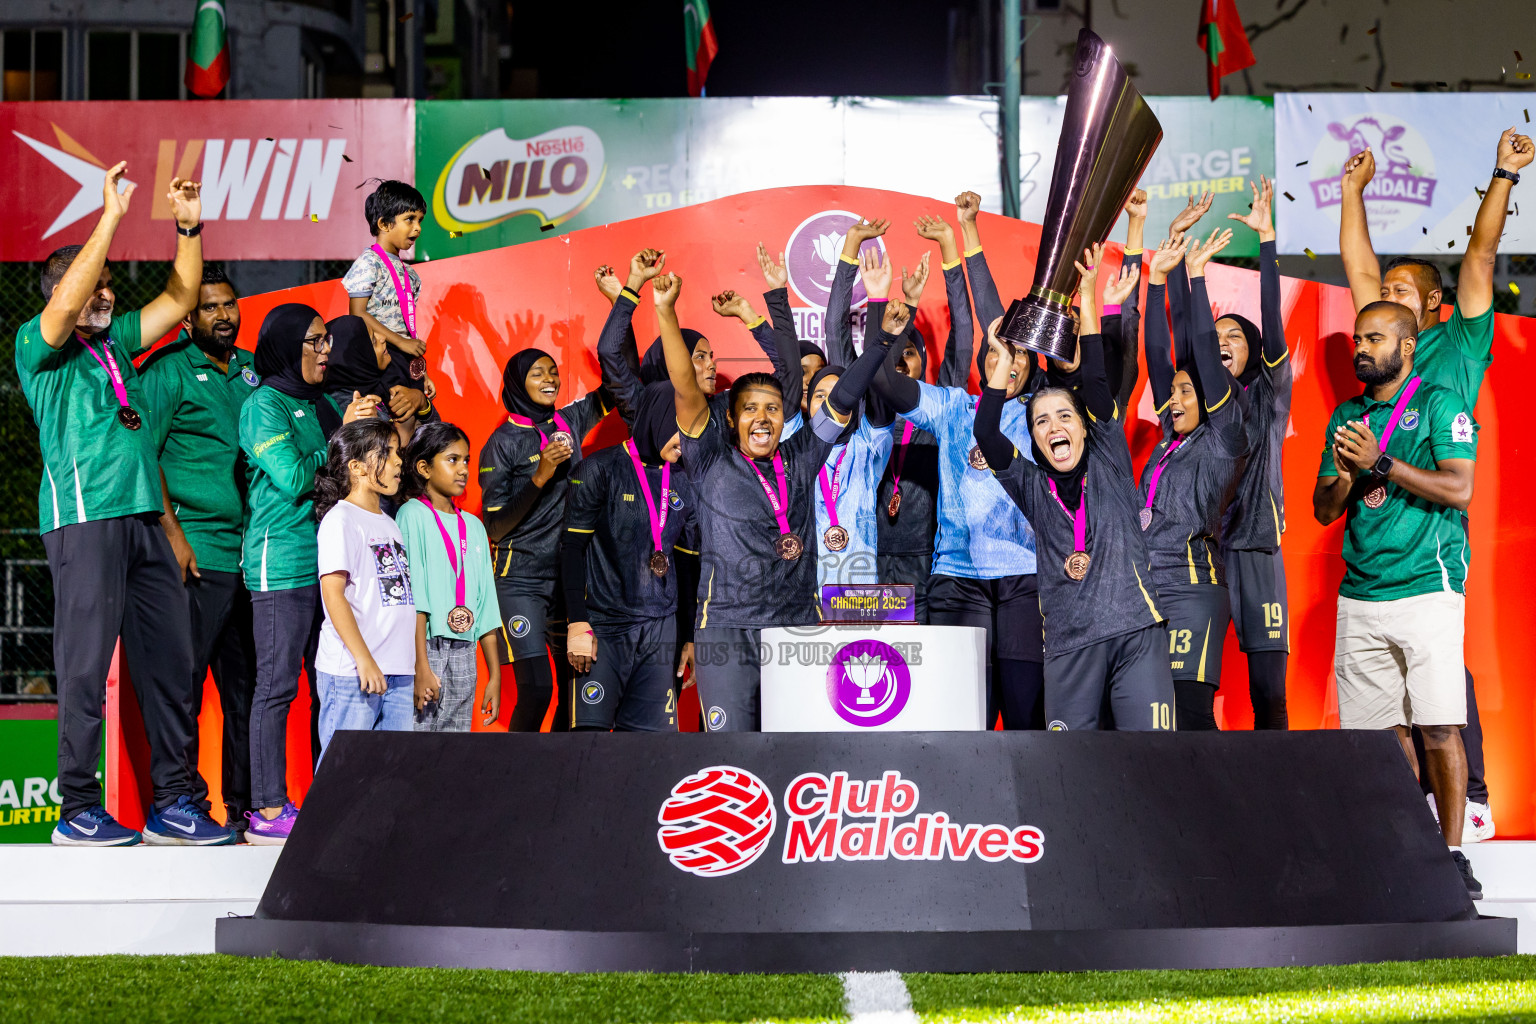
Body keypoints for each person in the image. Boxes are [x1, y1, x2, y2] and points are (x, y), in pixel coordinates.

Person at [21, 164, 229, 846]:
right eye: (97, 284)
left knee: (171, 664)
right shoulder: (38, 346)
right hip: (85, 523)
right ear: (65, 293)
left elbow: (180, 294)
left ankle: (173, 802)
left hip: (144, 522)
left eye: (110, 285)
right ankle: (76, 807)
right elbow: (67, 299)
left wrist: (188, 226)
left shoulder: (117, 344)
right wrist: (109, 218)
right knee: (84, 667)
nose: (106, 291)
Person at [1339, 127, 1533, 840]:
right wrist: (1350, 194)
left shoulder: (1460, 340)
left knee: (1443, 683)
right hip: (1378, 538)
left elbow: (1480, 255)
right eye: (1380, 295)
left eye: (1398, 291)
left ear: (1431, 307)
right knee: (1403, 695)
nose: (1381, 297)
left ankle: (1471, 800)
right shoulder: (1384, 347)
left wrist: (1503, 173)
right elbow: (1359, 266)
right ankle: (1416, 815)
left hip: (1438, 516)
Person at [659, 269, 902, 731]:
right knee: (731, 756)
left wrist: (884, 342)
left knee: (794, 757)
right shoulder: (710, 459)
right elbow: (685, 386)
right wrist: (666, 312)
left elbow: (846, 394)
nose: (763, 417)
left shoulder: (804, 452)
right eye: (750, 407)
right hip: (727, 630)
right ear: (730, 421)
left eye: (772, 407)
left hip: (797, 631)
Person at [1313, 300, 1481, 898]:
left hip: (1427, 588)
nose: (1362, 347)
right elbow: (1325, 511)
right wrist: (1348, 474)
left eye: (1375, 338)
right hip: (1360, 595)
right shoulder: (1347, 414)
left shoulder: (1439, 403)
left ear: (1407, 347)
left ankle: (1453, 854)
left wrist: (1380, 462)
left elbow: (1459, 489)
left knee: (1438, 727)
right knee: (1382, 740)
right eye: (1359, 338)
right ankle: (1405, 852)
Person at [973, 253, 1175, 732]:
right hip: (1067, 644)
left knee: (1152, 762)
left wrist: (1087, 300)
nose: (1054, 426)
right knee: (1070, 773)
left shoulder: (1108, 455)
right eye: (1041, 421)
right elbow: (986, 431)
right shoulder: (1030, 483)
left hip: (1135, 633)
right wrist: (1001, 362)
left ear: (1085, 427)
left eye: (1065, 416)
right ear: (1035, 439)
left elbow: (1097, 381)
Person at [866, 208, 1048, 730]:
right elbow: (883, 381)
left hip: (1021, 579)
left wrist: (967, 235)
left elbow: (995, 322)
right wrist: (882, 307)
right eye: (997, 354)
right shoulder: (951, 408)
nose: (1006, 362)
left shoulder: (1042, 413)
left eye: (1017, 356)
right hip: (957, 580)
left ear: (1030, 364)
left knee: (1024, 722)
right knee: (958, 727)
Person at [240, 304, 375, 845]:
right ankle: (268, 809)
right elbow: (296, 476)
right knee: (276, 689)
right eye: (316, 341)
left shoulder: (321, 401)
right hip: (282, 563)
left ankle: (329, 801)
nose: (326, 350)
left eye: (327, 341)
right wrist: (339, 434)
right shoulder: (261, 406)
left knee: (332, 686)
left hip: (329, 566)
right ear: (288, 345)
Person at [137, 263, 262, 837]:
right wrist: (173, 535)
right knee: (184, 685)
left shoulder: (251, 370)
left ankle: (244, 807)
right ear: (187, 319)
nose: (223, 315)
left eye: (229, 304)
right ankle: (182, 801)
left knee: (247, 690)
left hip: (251, 553)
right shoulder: (166, 370)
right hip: (197, 552)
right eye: (210, 306)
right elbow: (146, 455)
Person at [825, 213, 963, 621]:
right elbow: (837, 332)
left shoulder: (944, 413)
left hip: (925, 564)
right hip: (864, 560)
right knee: (862, 668)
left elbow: (965, 336)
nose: (900, 364)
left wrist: (949, 256)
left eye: (910, 355)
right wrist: (850, 250)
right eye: (895, 355)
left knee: (920, 673)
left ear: (924, 363)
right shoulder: (866, 408)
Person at [1140, 229, 1249, 730]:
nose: (1175, 399)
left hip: (1192, 590)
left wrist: (1198, 276)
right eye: (1174, 393)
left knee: (1190, 715)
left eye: (1188, 392)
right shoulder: (1170, 438)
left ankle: (1210, 809)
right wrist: (1157, 280)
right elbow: (1158, 355)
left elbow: (1203, 358)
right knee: (1147, 714)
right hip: (1145, 589)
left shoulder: (1224, 436)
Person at [479, 347, 612, 732]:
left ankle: (554, 779)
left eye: (553, 372)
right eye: (538, 374)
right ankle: (515, 783)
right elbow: (495, 527)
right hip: (520, 580)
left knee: (575, 694)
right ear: (519, 383)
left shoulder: (568, 421)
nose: (550, 380)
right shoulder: (501, 443)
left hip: (569, 582)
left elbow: (617, 389)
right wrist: (540, 474)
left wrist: (622, 297)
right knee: (537, 690)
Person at [560, 382, 699, 730]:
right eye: (680, 429)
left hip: (660, 629)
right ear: (659, 420)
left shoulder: (685, 480)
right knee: (587, 746)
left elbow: (686, 565)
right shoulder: (599, 469)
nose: (687, 440)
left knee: (650, 754)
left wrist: (686, 637)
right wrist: (577, 621)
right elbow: (571, 549)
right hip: (604, 627)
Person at [1211, 177, 1294, 730]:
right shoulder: (1198, 405)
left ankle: (1280, 804)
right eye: (1212, 337)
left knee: (1269, 693)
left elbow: (1272, 321)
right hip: (1203, 553)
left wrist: (1266, 243)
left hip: (1259, 548)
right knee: (1189, 688)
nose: (1221, 342)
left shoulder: (1268, 395)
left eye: (1234, 337)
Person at [313, 420, 417, 759]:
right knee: (342, 777)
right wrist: (364, 659)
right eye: (386, 454)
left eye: (397, 452)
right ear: (356, 467)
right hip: (354, 673)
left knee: (391, 778)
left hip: (398, 671)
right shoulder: (340, 519)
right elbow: (333, 595)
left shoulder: (389, 522)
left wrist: (416, 665)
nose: (399, 461)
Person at [396, 423, 505, 732]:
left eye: (466, 460)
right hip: (426, 646)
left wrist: (494, 677)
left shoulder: (474, 526)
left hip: (465, 648)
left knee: (453, 749)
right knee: (418, 747)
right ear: (423, 467)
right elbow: (415, 598)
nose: (463, 469)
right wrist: (421, 667)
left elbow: (485, 606)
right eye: (452, 459)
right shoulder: (411, 515)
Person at [344, 180, 430, 389]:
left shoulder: (411, 274)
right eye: (409, 219)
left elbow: (406, 328)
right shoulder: (369, 262)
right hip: (378, 359)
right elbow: (357, 314)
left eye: (420, 220)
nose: (417, 228)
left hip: (404, 360)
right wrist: (400, 342)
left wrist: (422, 374)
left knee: (418, 417)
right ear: (383, 224)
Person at [322, 314, 430, 451]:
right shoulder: (350, 407)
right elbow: (384, 462)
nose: (383, 337)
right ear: (358, 361)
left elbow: (439, 438)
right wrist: (404, 435)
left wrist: (422, 402)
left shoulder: (385, 375)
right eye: (373, 341)